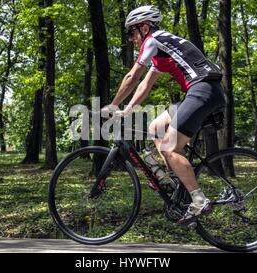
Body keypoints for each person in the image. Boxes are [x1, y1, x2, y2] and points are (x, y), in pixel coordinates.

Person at [101, 5, 226, 226]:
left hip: (202, 90)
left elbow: (132, 76)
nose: (131, 39)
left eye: (132, 32)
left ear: (144, 27)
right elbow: (145, 84)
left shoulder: (153, 40)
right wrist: (128, 109)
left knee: (169, 147)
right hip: (204, 90)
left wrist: (113, 104)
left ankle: (198, 199)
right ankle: (178, 184)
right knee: (155, 128)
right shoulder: (163, 47)